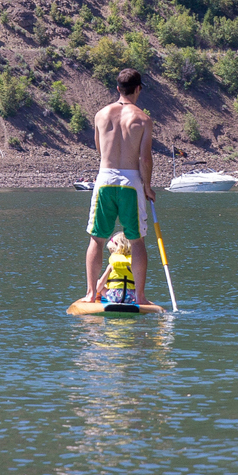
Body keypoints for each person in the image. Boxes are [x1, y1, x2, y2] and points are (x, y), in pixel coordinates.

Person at [84, 68, 155, 305]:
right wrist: (148, 186)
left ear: (117, 89)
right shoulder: (143, 119)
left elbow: (99, 148)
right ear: (138, 89)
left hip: (104, 179)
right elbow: (145, 159)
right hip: (131, 182)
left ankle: (90, 293)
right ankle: (141, 297)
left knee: (97, 239)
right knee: (137, 241)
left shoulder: (100, 115)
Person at [96, 232, 136, 304]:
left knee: (99, 282)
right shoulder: (133, 264)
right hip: (130, 297)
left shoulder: (112, 265)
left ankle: (97, 299)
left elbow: (99, 286)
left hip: (114, 297)